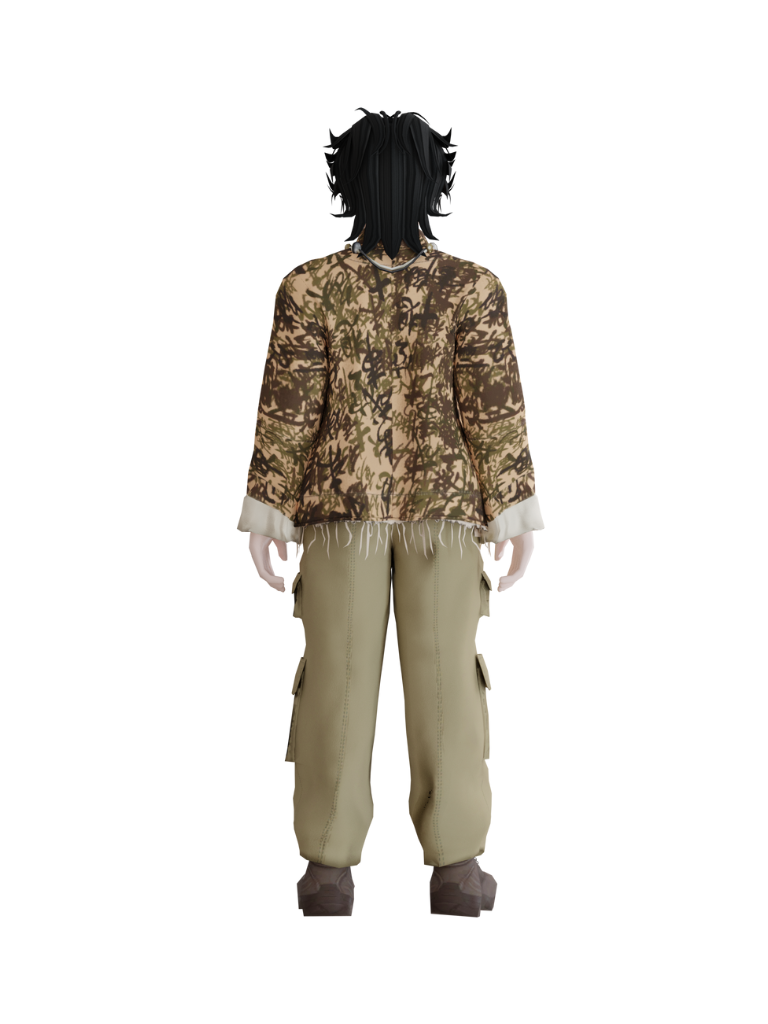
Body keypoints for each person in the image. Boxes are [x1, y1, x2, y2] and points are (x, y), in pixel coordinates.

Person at [237, 108, 544, 917]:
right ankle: (456, 869)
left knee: (335, 685)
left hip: (343, 514)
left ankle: (328, 870)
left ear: (348, 183)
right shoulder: (472, 287)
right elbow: (492, 408)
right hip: (443, 512)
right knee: (447, 687)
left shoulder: (309, 287)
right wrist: (511, 508)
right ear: (434, 183)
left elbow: (290, 409)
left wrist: (270, 508)